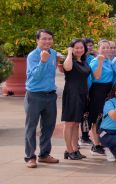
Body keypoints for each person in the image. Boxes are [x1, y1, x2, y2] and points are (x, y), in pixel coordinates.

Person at [23, 29, 61, 168]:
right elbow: (36, 76)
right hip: (34, 95)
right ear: (37, 40)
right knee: (31, 127)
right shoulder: (33, 56)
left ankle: (44, 155)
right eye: (44, 39)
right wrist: (43, 61)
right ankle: (30, 157)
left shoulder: (54, 53)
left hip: (50, 95)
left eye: (49, 38)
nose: (47, 41)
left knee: (48, 126)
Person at [61, 39, 91, 160]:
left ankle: (75, 148)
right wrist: (69, 53)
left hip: (82, 94)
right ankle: (68, 150)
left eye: (81, 47)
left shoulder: (83, 61)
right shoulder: (70, 61)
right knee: (69, 123)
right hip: (72, 94)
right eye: (76, 48)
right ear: (72, 49)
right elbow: (67, 68)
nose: (79, 50)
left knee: (77, 123)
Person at [88, 40, 115, 155]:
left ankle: (102, 142)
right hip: (98, 90)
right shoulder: (95, 61)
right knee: (96, 117)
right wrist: (99, 62)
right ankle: (96, 144)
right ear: (98, 49)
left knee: (104, 117)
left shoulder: (108, 61)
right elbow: (96, 77)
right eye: (103, 48)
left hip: (107, 90)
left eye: (107, 47)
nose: (106, 50)